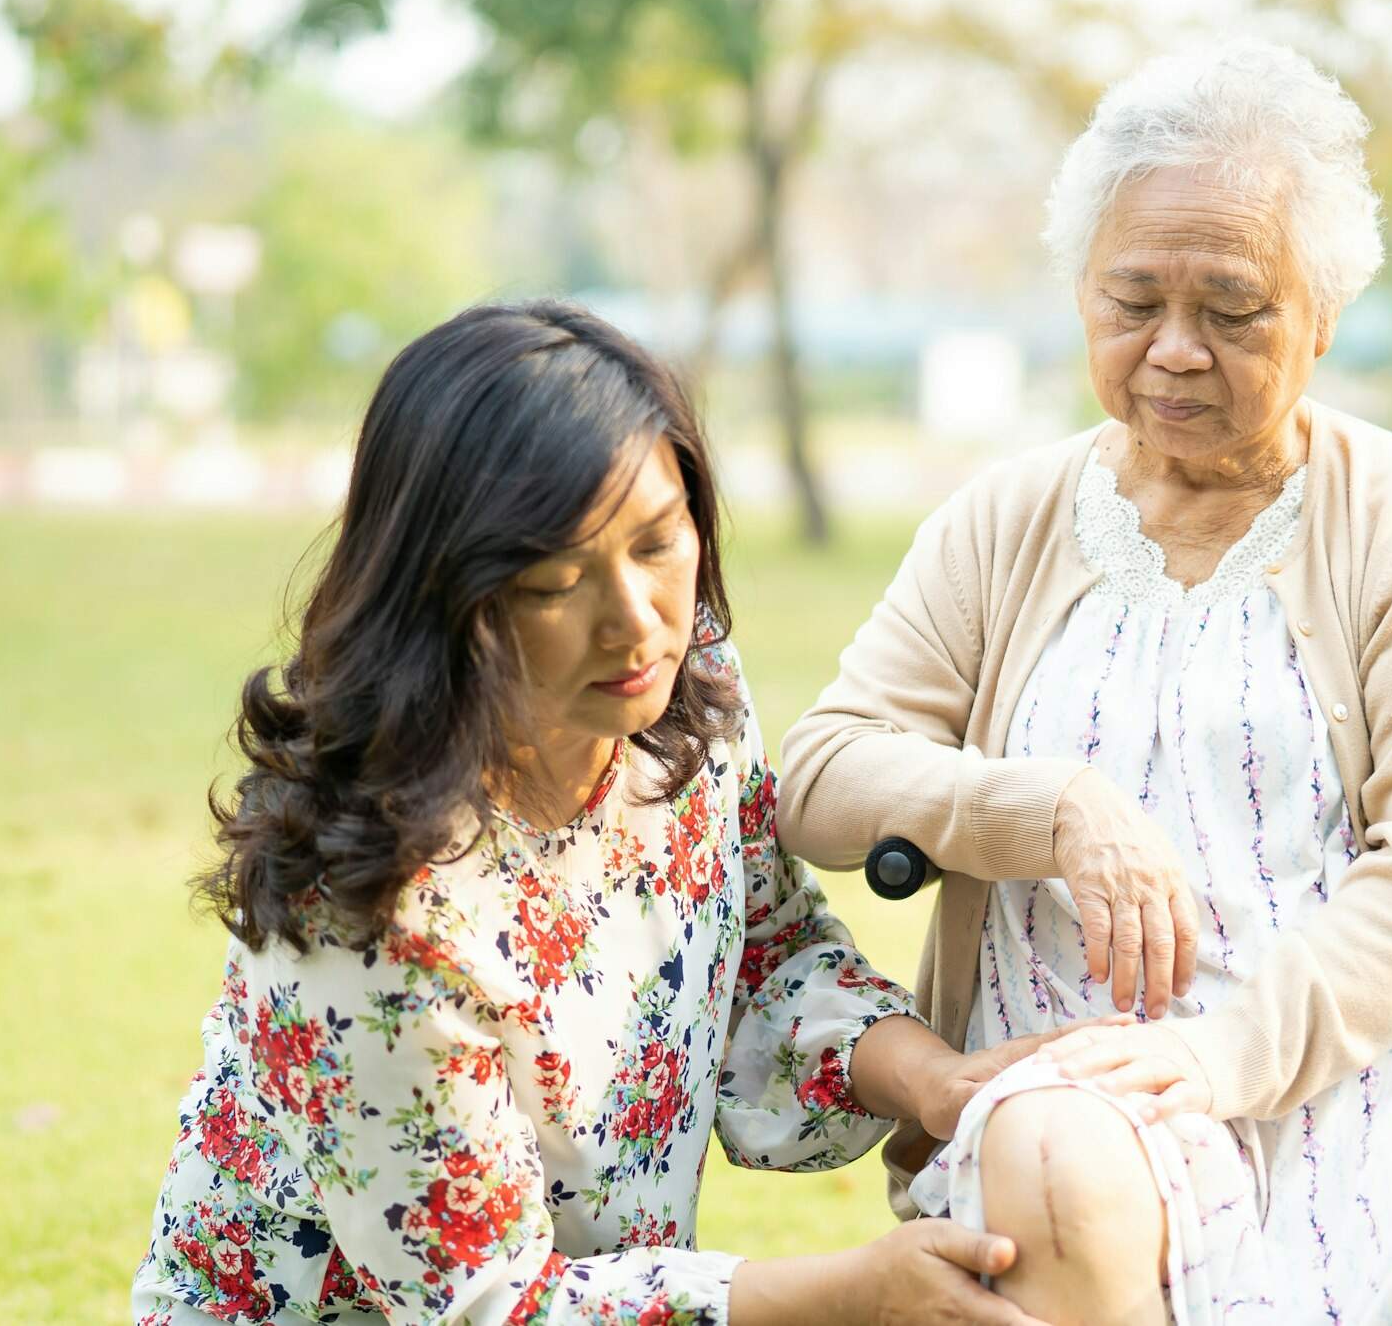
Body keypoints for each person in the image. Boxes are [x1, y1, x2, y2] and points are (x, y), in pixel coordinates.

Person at [779, 41, 1392, 1325]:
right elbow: (817, 772)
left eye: (1232, 307)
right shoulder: (1007, 519)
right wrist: (1049, 807)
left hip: (1376, 1040)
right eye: (1130, 300)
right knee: (1055, 1155)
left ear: (1321, 313)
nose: (1174, 351)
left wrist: (1221, 1056)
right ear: (1079, 294)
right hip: (1079, 1057)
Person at [130, 301, 1075, 1325]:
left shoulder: (685, 684)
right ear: (443, 595)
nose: (635, 622)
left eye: (659, 543)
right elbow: (494, 1303)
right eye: (554, 581)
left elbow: (762, 949)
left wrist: (934, 1080)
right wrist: (857, 1292)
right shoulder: (360, 903)